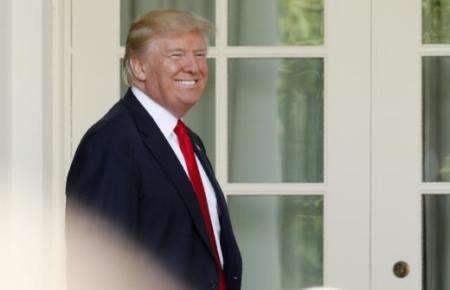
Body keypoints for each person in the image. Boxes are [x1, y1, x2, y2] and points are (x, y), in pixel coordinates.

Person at [66, 9, 242, 290]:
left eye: (199, 55)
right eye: (176, 55)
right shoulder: (111, 142)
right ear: (139, 67)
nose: (193, 67)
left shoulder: (189, 141)